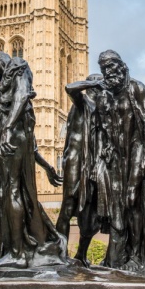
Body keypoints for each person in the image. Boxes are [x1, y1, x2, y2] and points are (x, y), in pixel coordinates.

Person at [0, 52, 67, 269]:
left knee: (13, 193)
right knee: (15, 195)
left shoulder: (19, 66)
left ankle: (17, 254)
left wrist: (7, 128)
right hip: (14, 143)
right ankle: (18, 248)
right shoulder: (1, 95)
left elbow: (22, 96)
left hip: (11, 142)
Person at [95, 50, 145, 270]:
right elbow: (103, 129)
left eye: (110, 66)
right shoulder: (105, 95)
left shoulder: (136, 88)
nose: (107, 72)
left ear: (120, 66)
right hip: (116, 160)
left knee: (134, 201)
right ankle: (117, 257)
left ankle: (138, 256)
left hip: (136, 153)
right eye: (103, 68)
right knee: (117, 208)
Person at [56, 74, 104, 266]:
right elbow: (69, 87)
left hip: (93, 164)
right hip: (75, 161)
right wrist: (94, 82)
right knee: (68, 205)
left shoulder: (101, 109)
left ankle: (81, 255)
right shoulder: (82, 101)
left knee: (92, 210)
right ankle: (60, 252)